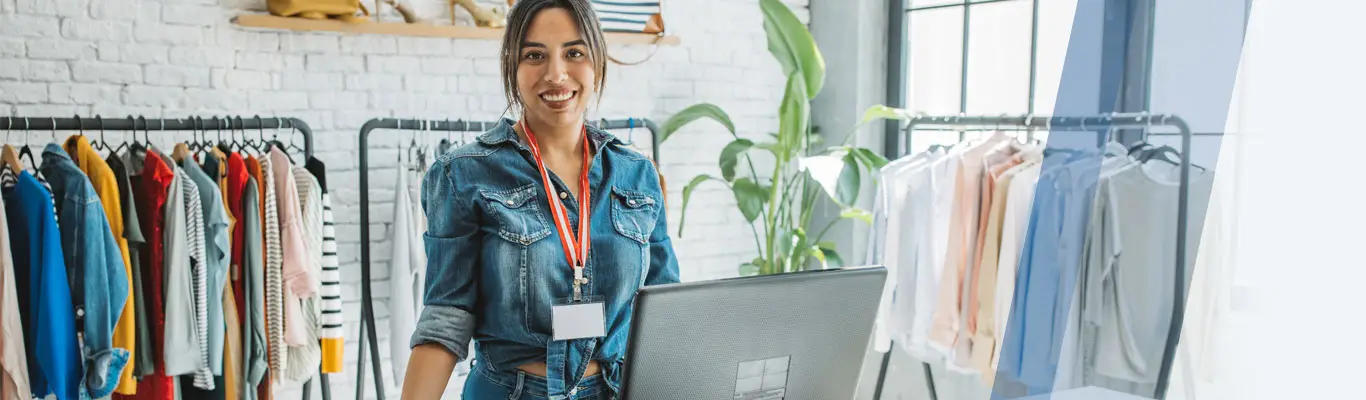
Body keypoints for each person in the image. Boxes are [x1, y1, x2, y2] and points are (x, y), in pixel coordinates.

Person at [399, 0, 681, 399]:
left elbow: (664, 313)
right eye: (535, 55)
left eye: (574, 52)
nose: (556, 74)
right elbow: (447, 316)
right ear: (512, 67)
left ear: (597, 62)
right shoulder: (461, 174)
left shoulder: (637, 173)